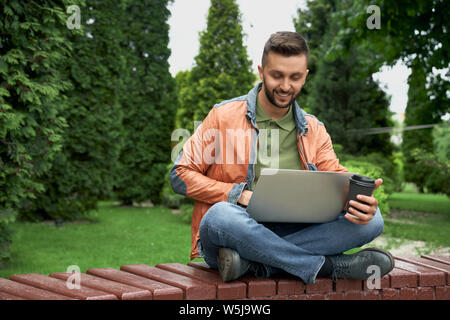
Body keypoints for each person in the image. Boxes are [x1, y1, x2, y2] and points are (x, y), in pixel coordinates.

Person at [170, 31, 394, 284]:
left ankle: (255, 264)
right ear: (261, 71)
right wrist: (238, 195)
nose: (286, 86)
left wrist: (358, 201)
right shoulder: (223, 116)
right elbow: (180, 175)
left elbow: (336, 177)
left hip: (288, 230)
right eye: (277, 75)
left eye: (295, 77)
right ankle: (326, 266)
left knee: (372, 221)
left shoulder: (314, 129)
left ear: (305, 76)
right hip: (236, 230)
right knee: (220, 214)